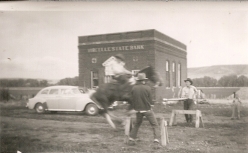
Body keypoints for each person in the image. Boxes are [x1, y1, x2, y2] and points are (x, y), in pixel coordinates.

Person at [128, 73, 160, 145]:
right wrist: (151, 105)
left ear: (138, 80)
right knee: (154, 124)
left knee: (137, 124)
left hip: (138, 110)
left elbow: (132, 99)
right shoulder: (147, 88)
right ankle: (156, 139)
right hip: (147, 109)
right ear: (143, 80)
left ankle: (131, 138)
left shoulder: (133, 88)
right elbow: (150, 100)